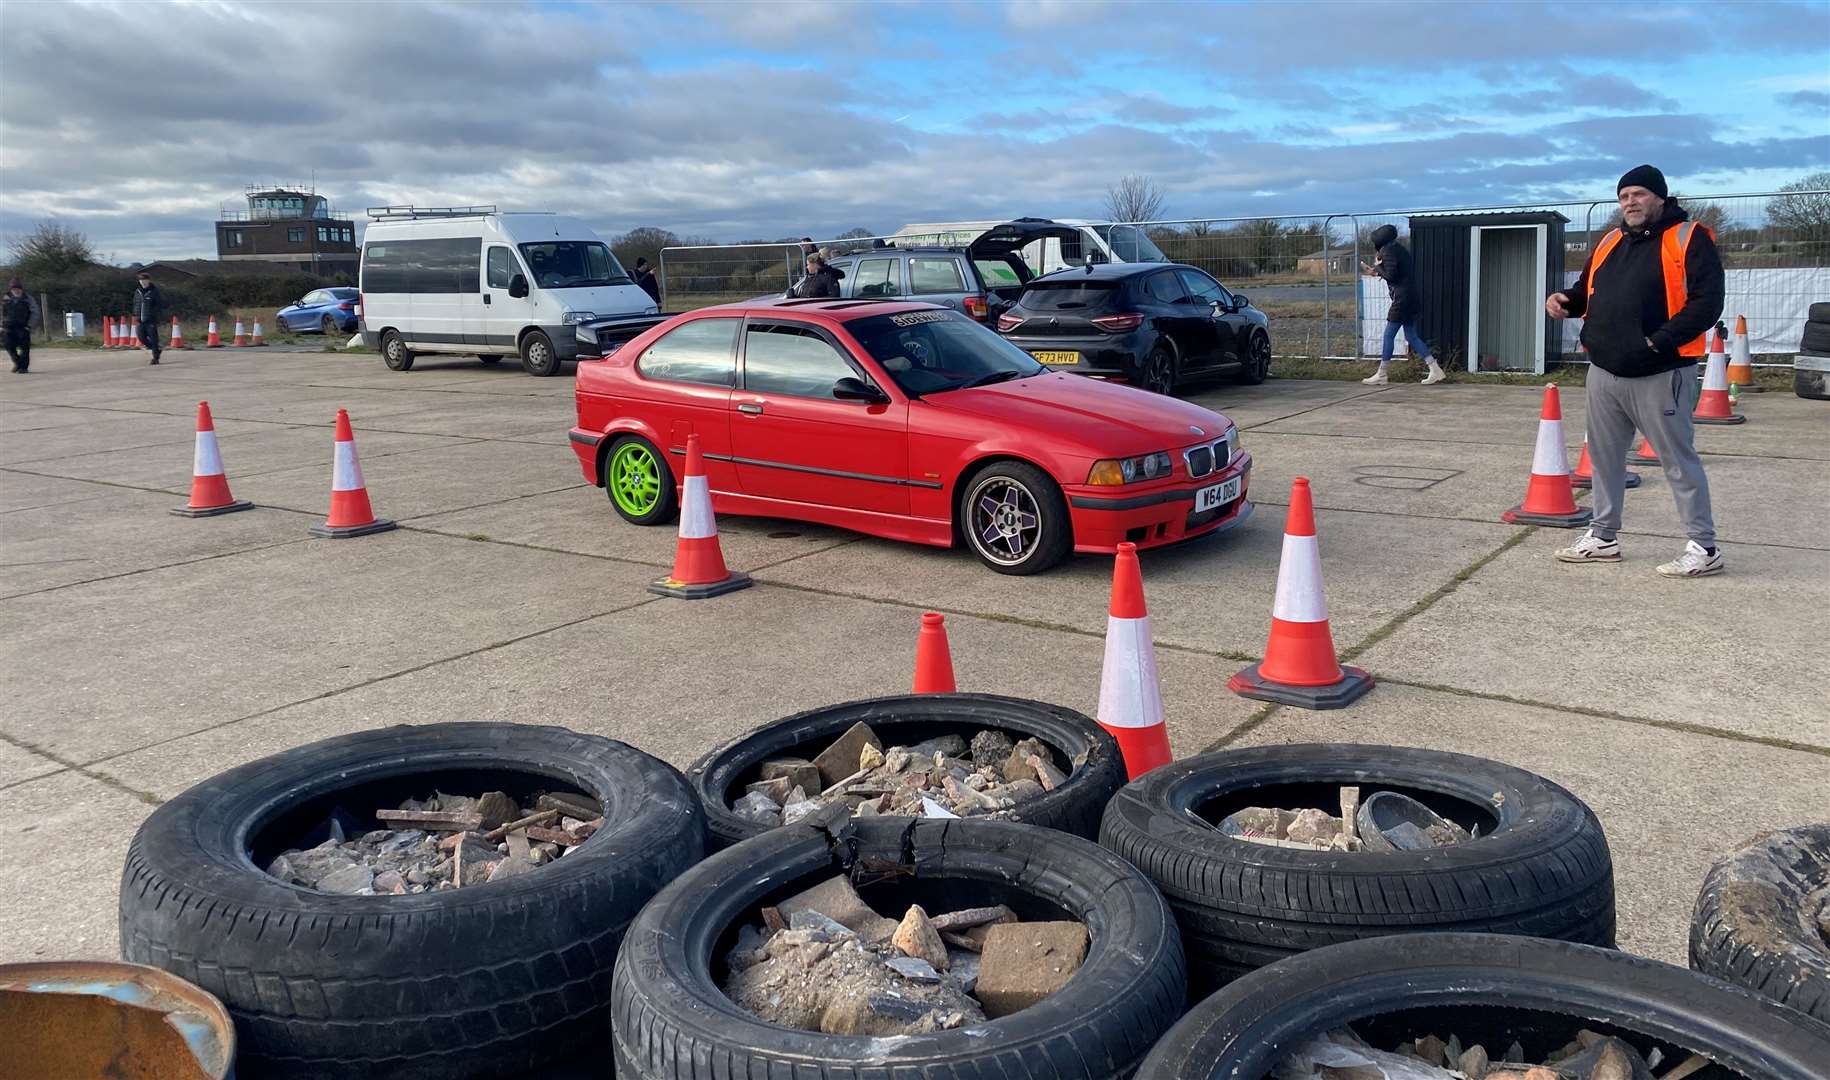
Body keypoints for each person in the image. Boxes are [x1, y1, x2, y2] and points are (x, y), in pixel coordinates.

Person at [1547, 164, 1725, 577]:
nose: (1630, 202)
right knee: (1605, 459)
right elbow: (1585, 290)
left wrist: (1657, 340)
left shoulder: (1689, 237)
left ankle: (1704, 546)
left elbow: (1706, 303)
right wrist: (1565, 302)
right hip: (1605, 370)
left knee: (1678, 461)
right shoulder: (1610, 240)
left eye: (1639, 194)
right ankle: (1603, 537)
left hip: (1661, 371)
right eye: (1624, 196)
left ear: (1660, 198)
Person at [1361, 224, 1446, 385]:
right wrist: (1378, 270)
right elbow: (1397, 274)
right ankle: (1435, 369)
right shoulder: (1399, 249)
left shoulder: (1388, 251)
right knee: (1412, 336)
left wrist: (1378, 266)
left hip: (1402, 300)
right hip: (1411, 297)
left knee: (1389, 335)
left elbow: (1392, 276)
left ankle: (1382, 374)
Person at [3, 278, 38, 374]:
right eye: (14, 288)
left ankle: (24, 367)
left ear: (21, 289)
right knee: (9, 346)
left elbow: (35, 312)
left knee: (24, 348)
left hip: (23, 327)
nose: (16, 290)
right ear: (11, 289)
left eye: (18, 288)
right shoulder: (5, 298)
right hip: (8, 327)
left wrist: (29, 325)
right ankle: (17, 363)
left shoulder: (28, 298)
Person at [132, 270, 164, 364]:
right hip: (140, 320)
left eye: (145, 280)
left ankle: (155, 358)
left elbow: (159, 305)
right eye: (141, 280)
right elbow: (135, 304)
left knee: (154, 339)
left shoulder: (154, 291)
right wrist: (135, 314)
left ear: (149, 281)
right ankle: (157, 349)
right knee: (141, 337)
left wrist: (153, 314)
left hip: (151, 320)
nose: (143, 282)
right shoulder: (137, 292)